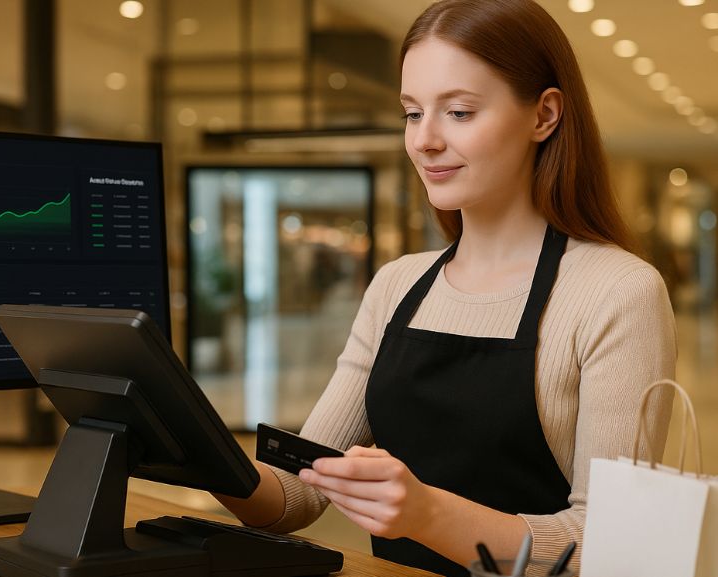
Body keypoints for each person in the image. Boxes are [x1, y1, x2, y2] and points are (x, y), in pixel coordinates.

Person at [214, 1, 677, 575]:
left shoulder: (617, 292)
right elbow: (299, 495)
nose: (425, 140)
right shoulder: (397, 284)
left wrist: (425, 513)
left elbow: (609, 545)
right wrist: (198, 451)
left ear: (545, 115)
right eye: (412, 113)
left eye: (458, 112)